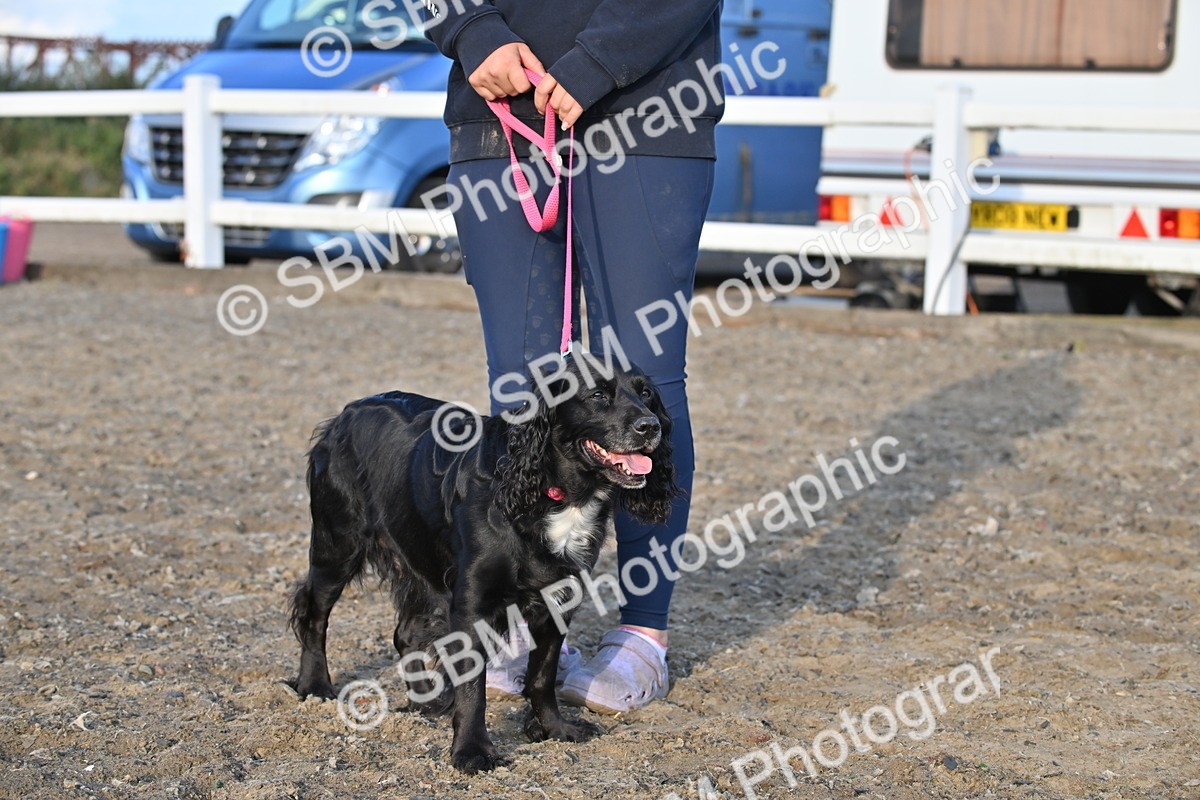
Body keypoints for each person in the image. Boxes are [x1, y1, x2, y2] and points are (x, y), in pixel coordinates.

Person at [426, 0, 723, 714]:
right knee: (521, 387)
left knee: (640, 384)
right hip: (501, 110)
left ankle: (642, 635)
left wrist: (596, 61)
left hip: (647, 106)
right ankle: (520, 623)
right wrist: (473, 31)